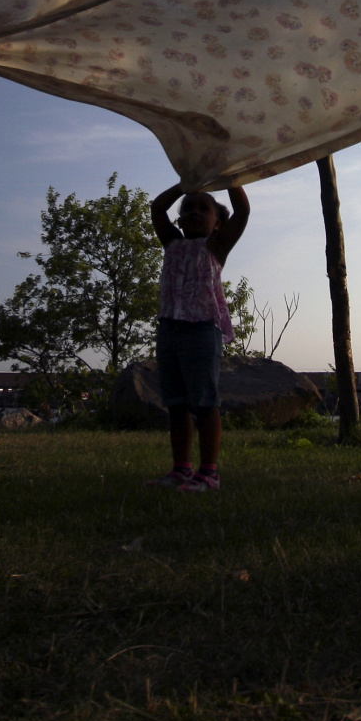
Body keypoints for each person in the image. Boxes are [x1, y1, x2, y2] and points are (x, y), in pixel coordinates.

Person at [144, 183, 250, 493]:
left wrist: (229, 177)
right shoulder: (171, 242)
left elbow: (243, 211)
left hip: (203, 330)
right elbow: (157, 208)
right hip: (169, 329)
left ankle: (209, 473)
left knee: (204, 403)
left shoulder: (216, 246)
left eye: (204, 208)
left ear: (218, 222)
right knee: (176, 404)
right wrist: (183, 186)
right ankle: (181, 470)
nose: (194, 212)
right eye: (188, 208)